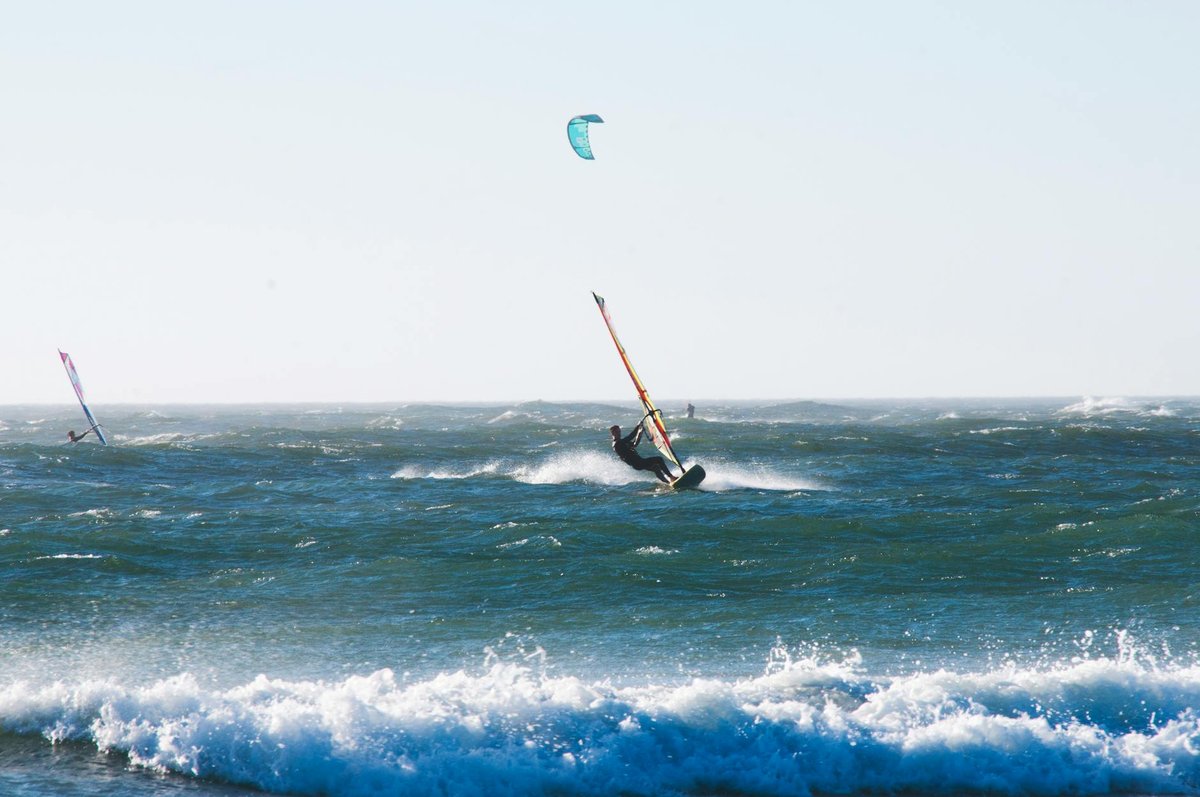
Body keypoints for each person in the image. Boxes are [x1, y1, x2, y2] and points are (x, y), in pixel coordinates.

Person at [610, 424, 675, 484]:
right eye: (617, 432)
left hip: (639, 462)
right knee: (659, 459)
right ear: (613, 433)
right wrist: (638, 426)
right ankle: (671, 477)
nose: (619, 433)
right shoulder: (616, 444)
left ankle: (667, 483)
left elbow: (635, 444)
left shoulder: (622, 442)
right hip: (637, 463)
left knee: (656, 468)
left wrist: (639, 433)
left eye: (619, 432)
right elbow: (631, 436)